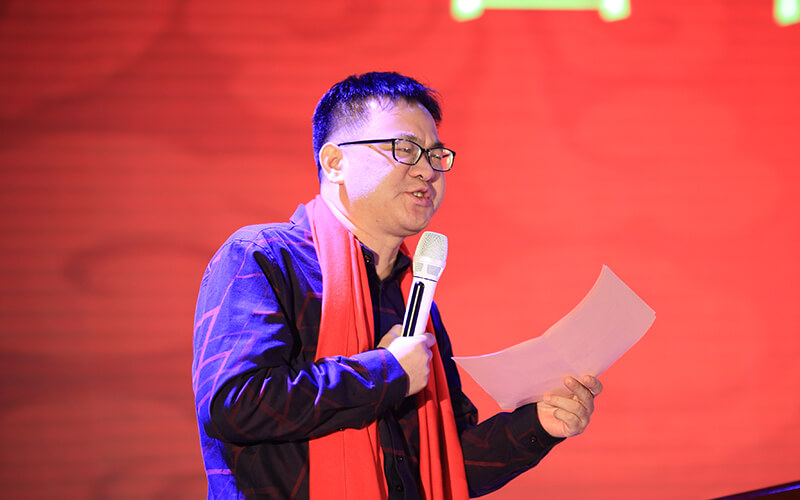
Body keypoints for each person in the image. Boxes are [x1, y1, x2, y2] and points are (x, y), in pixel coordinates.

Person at [191, 71, 602, 500]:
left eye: (436, 154)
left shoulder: (415, 298)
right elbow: (234, 402)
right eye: (405, 149)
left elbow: (447, 464)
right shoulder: (263, 255)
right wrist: (385, 371)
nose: (427, 170)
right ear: (335, 162)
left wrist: (539, 424)